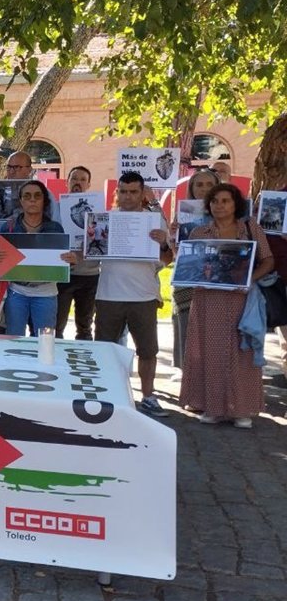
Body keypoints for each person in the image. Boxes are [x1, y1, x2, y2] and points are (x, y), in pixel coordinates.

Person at [180, 183, 275, 428]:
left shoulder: (250, 228)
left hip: (240, 299)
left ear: (236, 204)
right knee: (209, 352)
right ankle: (212, 408)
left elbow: (268, 260)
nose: (219, 205)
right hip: (207, 300)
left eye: (225, 201)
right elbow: (189, 266)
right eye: (214, 201)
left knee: (242, 352)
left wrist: (249, 279)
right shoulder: (199, 232)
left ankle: (241, 410)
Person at [93, 171, 174, 417]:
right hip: (109, 295)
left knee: (147, 351)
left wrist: (163, 243)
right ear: (117, 192)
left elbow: (167, 260)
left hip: (143, 296)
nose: (128, 196)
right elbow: (90, 254)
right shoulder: (104, 220)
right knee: (105, 350)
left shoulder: (155, 221)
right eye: (123, 191)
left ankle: (148, 396)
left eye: (133, 192)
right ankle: (107, 395)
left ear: (142, 194)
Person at [0, 179, 75, 336]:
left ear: (44, 200)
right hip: (16, 292)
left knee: (45, 340)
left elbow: (63, 263)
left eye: (37, 196)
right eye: (27, 196)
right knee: (14, 338)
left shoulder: (55, 229)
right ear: (21, 201)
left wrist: (70, 260)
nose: (32, 200)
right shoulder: (8, 227)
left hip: (46, 293)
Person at [171, 168, 221, 370]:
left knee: (215, 335)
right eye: (199, 184)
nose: (204, 189)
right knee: (187, 330)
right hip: (188, 281)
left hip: (218, 282)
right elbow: (176, 253)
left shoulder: (232, 214)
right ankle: (188, 376)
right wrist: (173, 237)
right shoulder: (184, 214)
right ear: (191, 188)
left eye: (209, 184)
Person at [55, 166, 100, 340]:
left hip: (89, 275)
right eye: (74, 178)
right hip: (63, 274)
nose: (77, 183)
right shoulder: (56, 209)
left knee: (85, 326)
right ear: (67, 182)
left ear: (88, 185)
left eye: (82, 180)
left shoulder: (97, 209)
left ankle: (82, 355)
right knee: (56, 325)